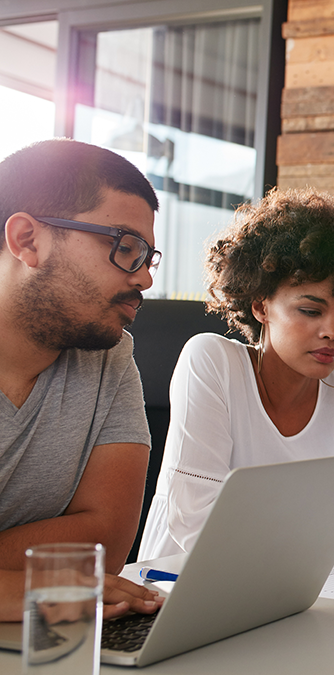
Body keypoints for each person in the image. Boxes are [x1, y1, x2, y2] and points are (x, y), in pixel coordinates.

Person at [138, 188, 334, 561]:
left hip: (296, 579)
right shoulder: (211, 361)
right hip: (177, 587)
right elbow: (201, 527)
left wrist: (283, 526)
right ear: (261, 305)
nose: (333, 332)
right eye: (311, 311)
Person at [0, 139, 164, 619]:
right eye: (123, 246)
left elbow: (105, 547)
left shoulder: (109, 356)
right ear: (28, 240)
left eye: (147, 256)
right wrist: (15, 590)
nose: (144, 280)